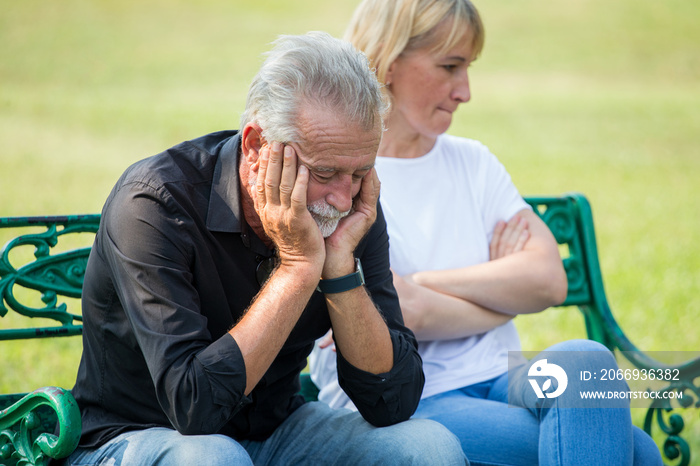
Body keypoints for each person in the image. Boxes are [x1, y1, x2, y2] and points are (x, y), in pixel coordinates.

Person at [65, 31, 467, 465]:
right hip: (134, 437)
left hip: (276, 430)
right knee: (213, 458)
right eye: (325, 171)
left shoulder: (348, 207)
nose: (342, 198)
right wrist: (296, 269)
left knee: (428, 447)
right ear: (257, 146)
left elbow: (393, 401)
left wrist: (339, 269)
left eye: (359, 173)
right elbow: (193, 408)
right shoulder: (154, 203)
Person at [308, 1, 663, 465]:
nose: (466, 91)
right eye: (450, 67)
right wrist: (500, 285)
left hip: (502, 377)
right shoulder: (343, 176)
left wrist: (423, 285)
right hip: (410, 399)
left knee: (587, 359)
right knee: (636, 450)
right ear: (389, 62)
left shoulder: (473, 162)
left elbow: (548, 281)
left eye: (468, 68)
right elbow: (403, 314)